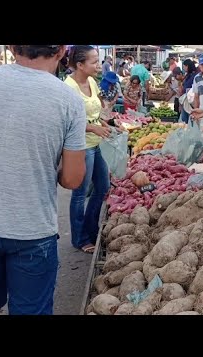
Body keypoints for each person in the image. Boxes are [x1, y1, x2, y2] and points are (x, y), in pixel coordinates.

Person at [0, 45, 87, 315]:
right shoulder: (69, 99)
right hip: (32, 229)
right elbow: (72, 179)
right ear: (61, 51)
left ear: (12, 48)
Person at [64, 46, 112, 254]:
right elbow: (68, 121)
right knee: (79, 193)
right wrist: (93, 127)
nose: (98, 65)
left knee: (103, 186)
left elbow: (94, 112)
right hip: (80, 147)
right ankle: (80, 238)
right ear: (80, 65)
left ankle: (91, 229)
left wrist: (103, 122)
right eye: (93, 62)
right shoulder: (68, 87)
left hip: (96, 143)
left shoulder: (92, 82)